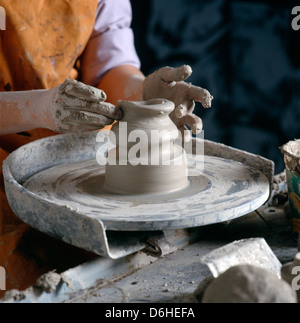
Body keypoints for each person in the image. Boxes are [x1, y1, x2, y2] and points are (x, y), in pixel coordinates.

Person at [0, 0, 213, 294]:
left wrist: (143, 91)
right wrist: (39, 108)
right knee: (25, 273)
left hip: (70, 154)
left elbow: (106, 69)